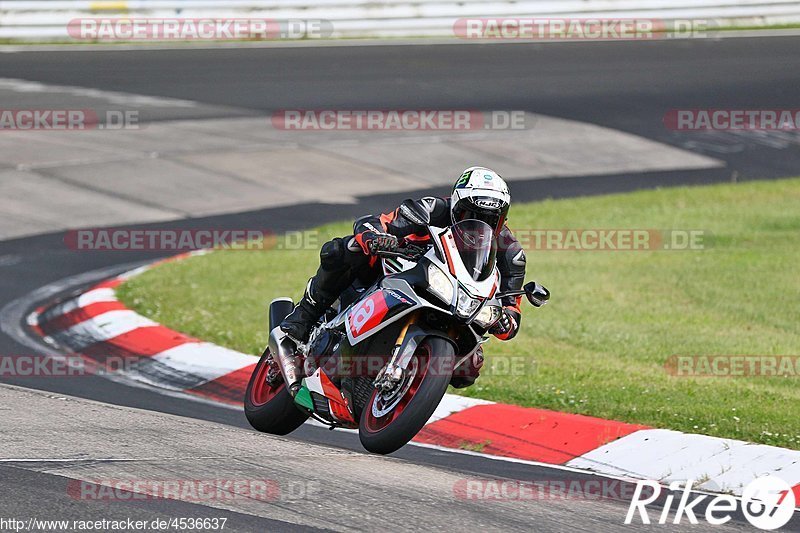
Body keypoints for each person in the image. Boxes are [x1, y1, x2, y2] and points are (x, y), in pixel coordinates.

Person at [280, 166, 527, 348]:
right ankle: (305, 314)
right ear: (455, 206)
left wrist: (506, 321)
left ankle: (413, 383)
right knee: (344, 250)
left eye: (490, 219)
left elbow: (512, 306)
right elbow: (376, 223)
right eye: (470, 214)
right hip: (403, 269)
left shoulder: (512, 253)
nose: (479, 224)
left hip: (458, 302)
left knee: (471, 366)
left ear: (502, 219)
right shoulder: (432, 208)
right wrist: (375, 238)